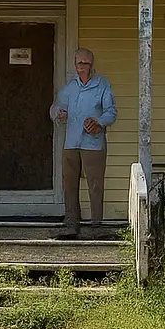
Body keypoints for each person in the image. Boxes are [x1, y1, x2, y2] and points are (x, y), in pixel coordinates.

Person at [49, 47, 116, 238]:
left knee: (95, 185)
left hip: (93, 143)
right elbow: (55, 107)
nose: (83, 66)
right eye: (80, 62)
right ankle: (71, 225)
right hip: (71, 142)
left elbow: (111, 111)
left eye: (86, 63)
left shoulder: (102, 84)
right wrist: (57, 113)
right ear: (75, 64)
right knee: (69, 184)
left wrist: (99, 122)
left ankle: (96, 226)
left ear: (92, 64)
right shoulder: (70, 87)